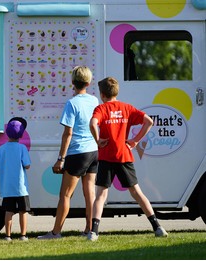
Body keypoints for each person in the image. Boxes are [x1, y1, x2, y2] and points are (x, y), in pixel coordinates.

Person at [88, 76, 168, 241]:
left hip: (106, 157)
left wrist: (98, 140)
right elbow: (149, 121)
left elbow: (92, 123)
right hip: (124, 156)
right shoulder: (127, 108)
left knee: (101, 195)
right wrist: (135, 140)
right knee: (137, 193)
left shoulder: (101, 109)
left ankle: (94, 232)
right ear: (116, 92)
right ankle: (157, 227)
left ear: (102, 95)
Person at [38, 66, 99, 239]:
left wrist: (60, 159)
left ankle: (56, 232)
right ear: (88, 82)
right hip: (93, 151)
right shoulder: (94, 100)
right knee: (90, 193)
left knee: (65, 195)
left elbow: (68, 133)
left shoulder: (72, 103)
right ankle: (89, 229)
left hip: (77, 153)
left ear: (73, 82)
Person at [0, 117, 31, 241]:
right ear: (21, 134)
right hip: (21, 187)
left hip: (7, 186)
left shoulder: (1, 149)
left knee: (8, 211)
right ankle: (23, 235)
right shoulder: (22, 148)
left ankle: (8, 236)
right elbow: (27, 165)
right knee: (23, 211)